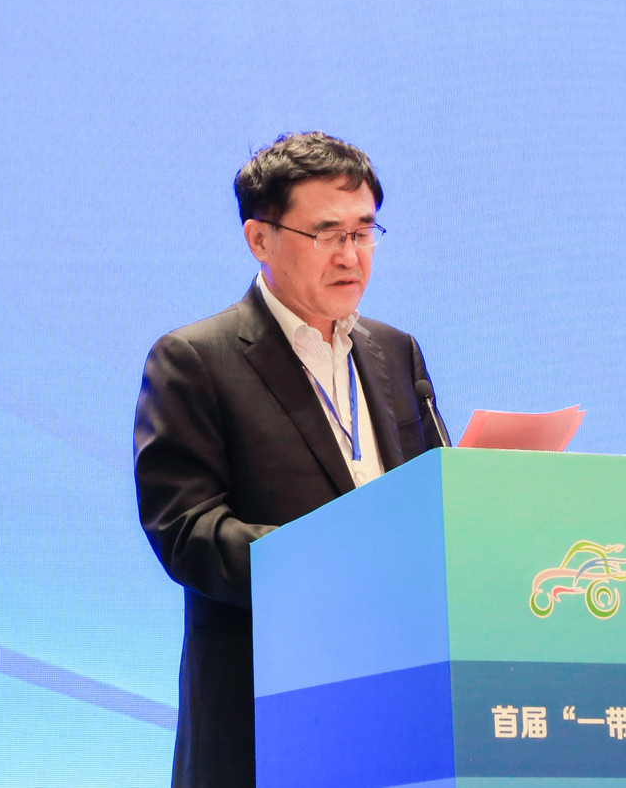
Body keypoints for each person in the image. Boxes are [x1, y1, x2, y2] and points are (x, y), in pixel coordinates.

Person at [134, 131, 442, 787]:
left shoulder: (396, 352)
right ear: (260, 238)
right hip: (267, 712)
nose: (351, 255)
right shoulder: (195, 360)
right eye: (327, 233)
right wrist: (332, 564)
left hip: (397, 696)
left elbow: (426, 500)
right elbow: (187, 531)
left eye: (364, 231)